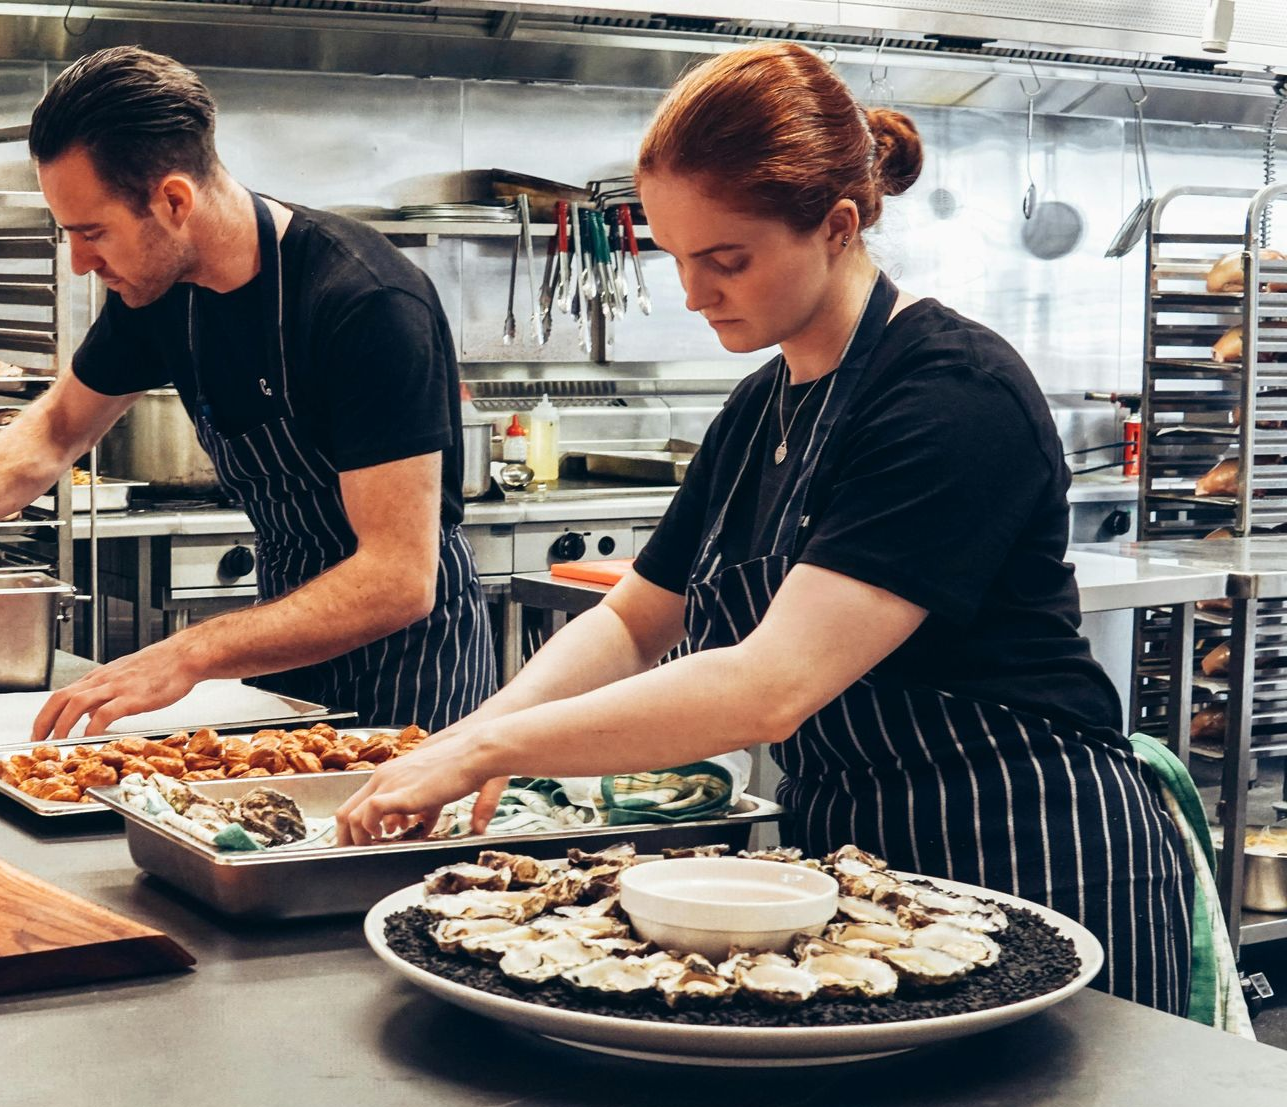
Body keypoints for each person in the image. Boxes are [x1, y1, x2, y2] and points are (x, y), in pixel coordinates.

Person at [335, 42, 1191, 1014]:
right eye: (676, 257)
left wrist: (494, 752)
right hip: (857, 874)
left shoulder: (951, 395)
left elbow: (769, 687)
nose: (694, 294)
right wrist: (473, 733)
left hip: (1036, 852)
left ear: (835, 227)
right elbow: (631, 624)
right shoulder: (759, 409)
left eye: (725, 260)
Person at [0, 46, 496, 740]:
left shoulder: (364, 302)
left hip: (413, 680)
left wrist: (188, 653)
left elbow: (397, 577)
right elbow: (59, 427)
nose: (80, 262)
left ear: (174, 200)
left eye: (93, 233)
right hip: (284, 655)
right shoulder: (160, 294)